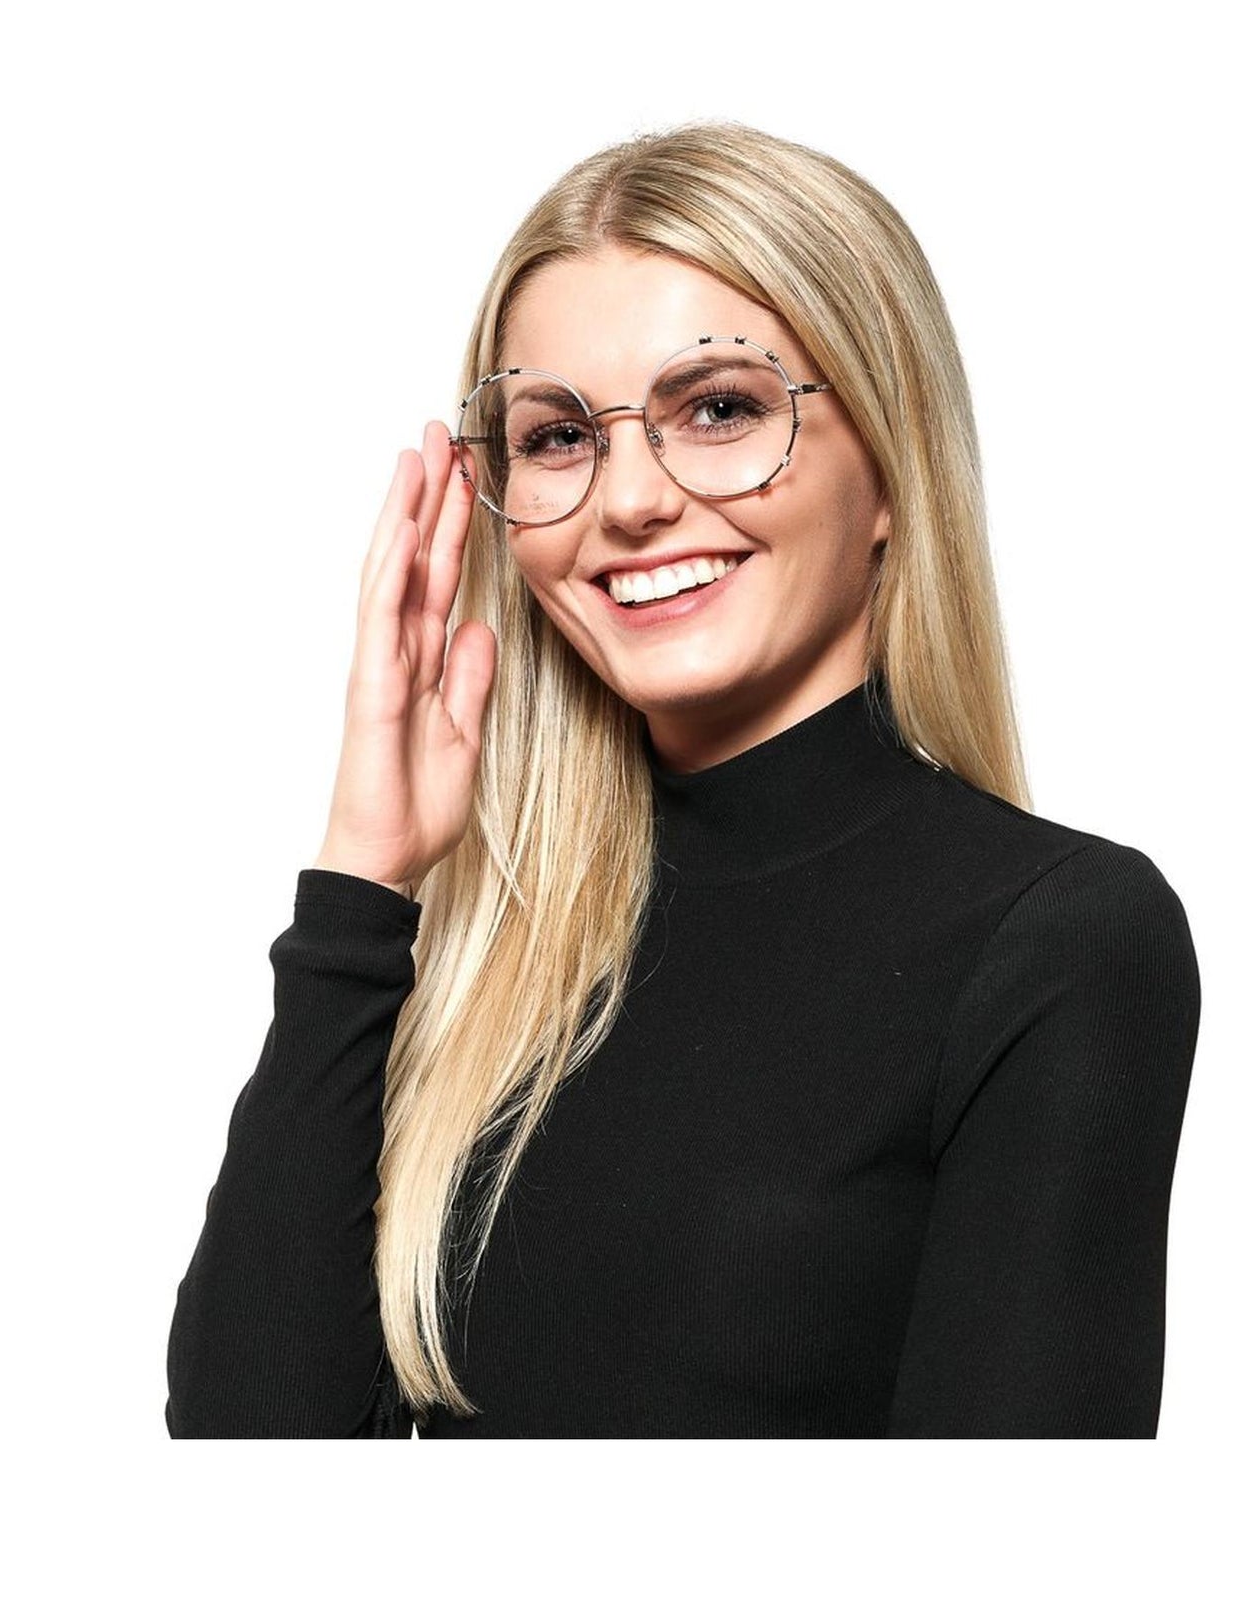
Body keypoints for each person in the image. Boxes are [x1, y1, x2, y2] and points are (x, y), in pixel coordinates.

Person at [165, 120, 1201, 1439]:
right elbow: (242, 1465)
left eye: (718, 408)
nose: (629, 501)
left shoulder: (1060, 941)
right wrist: (362, 884)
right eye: (558, 436)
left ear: (889, 464)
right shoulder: (482, 960)